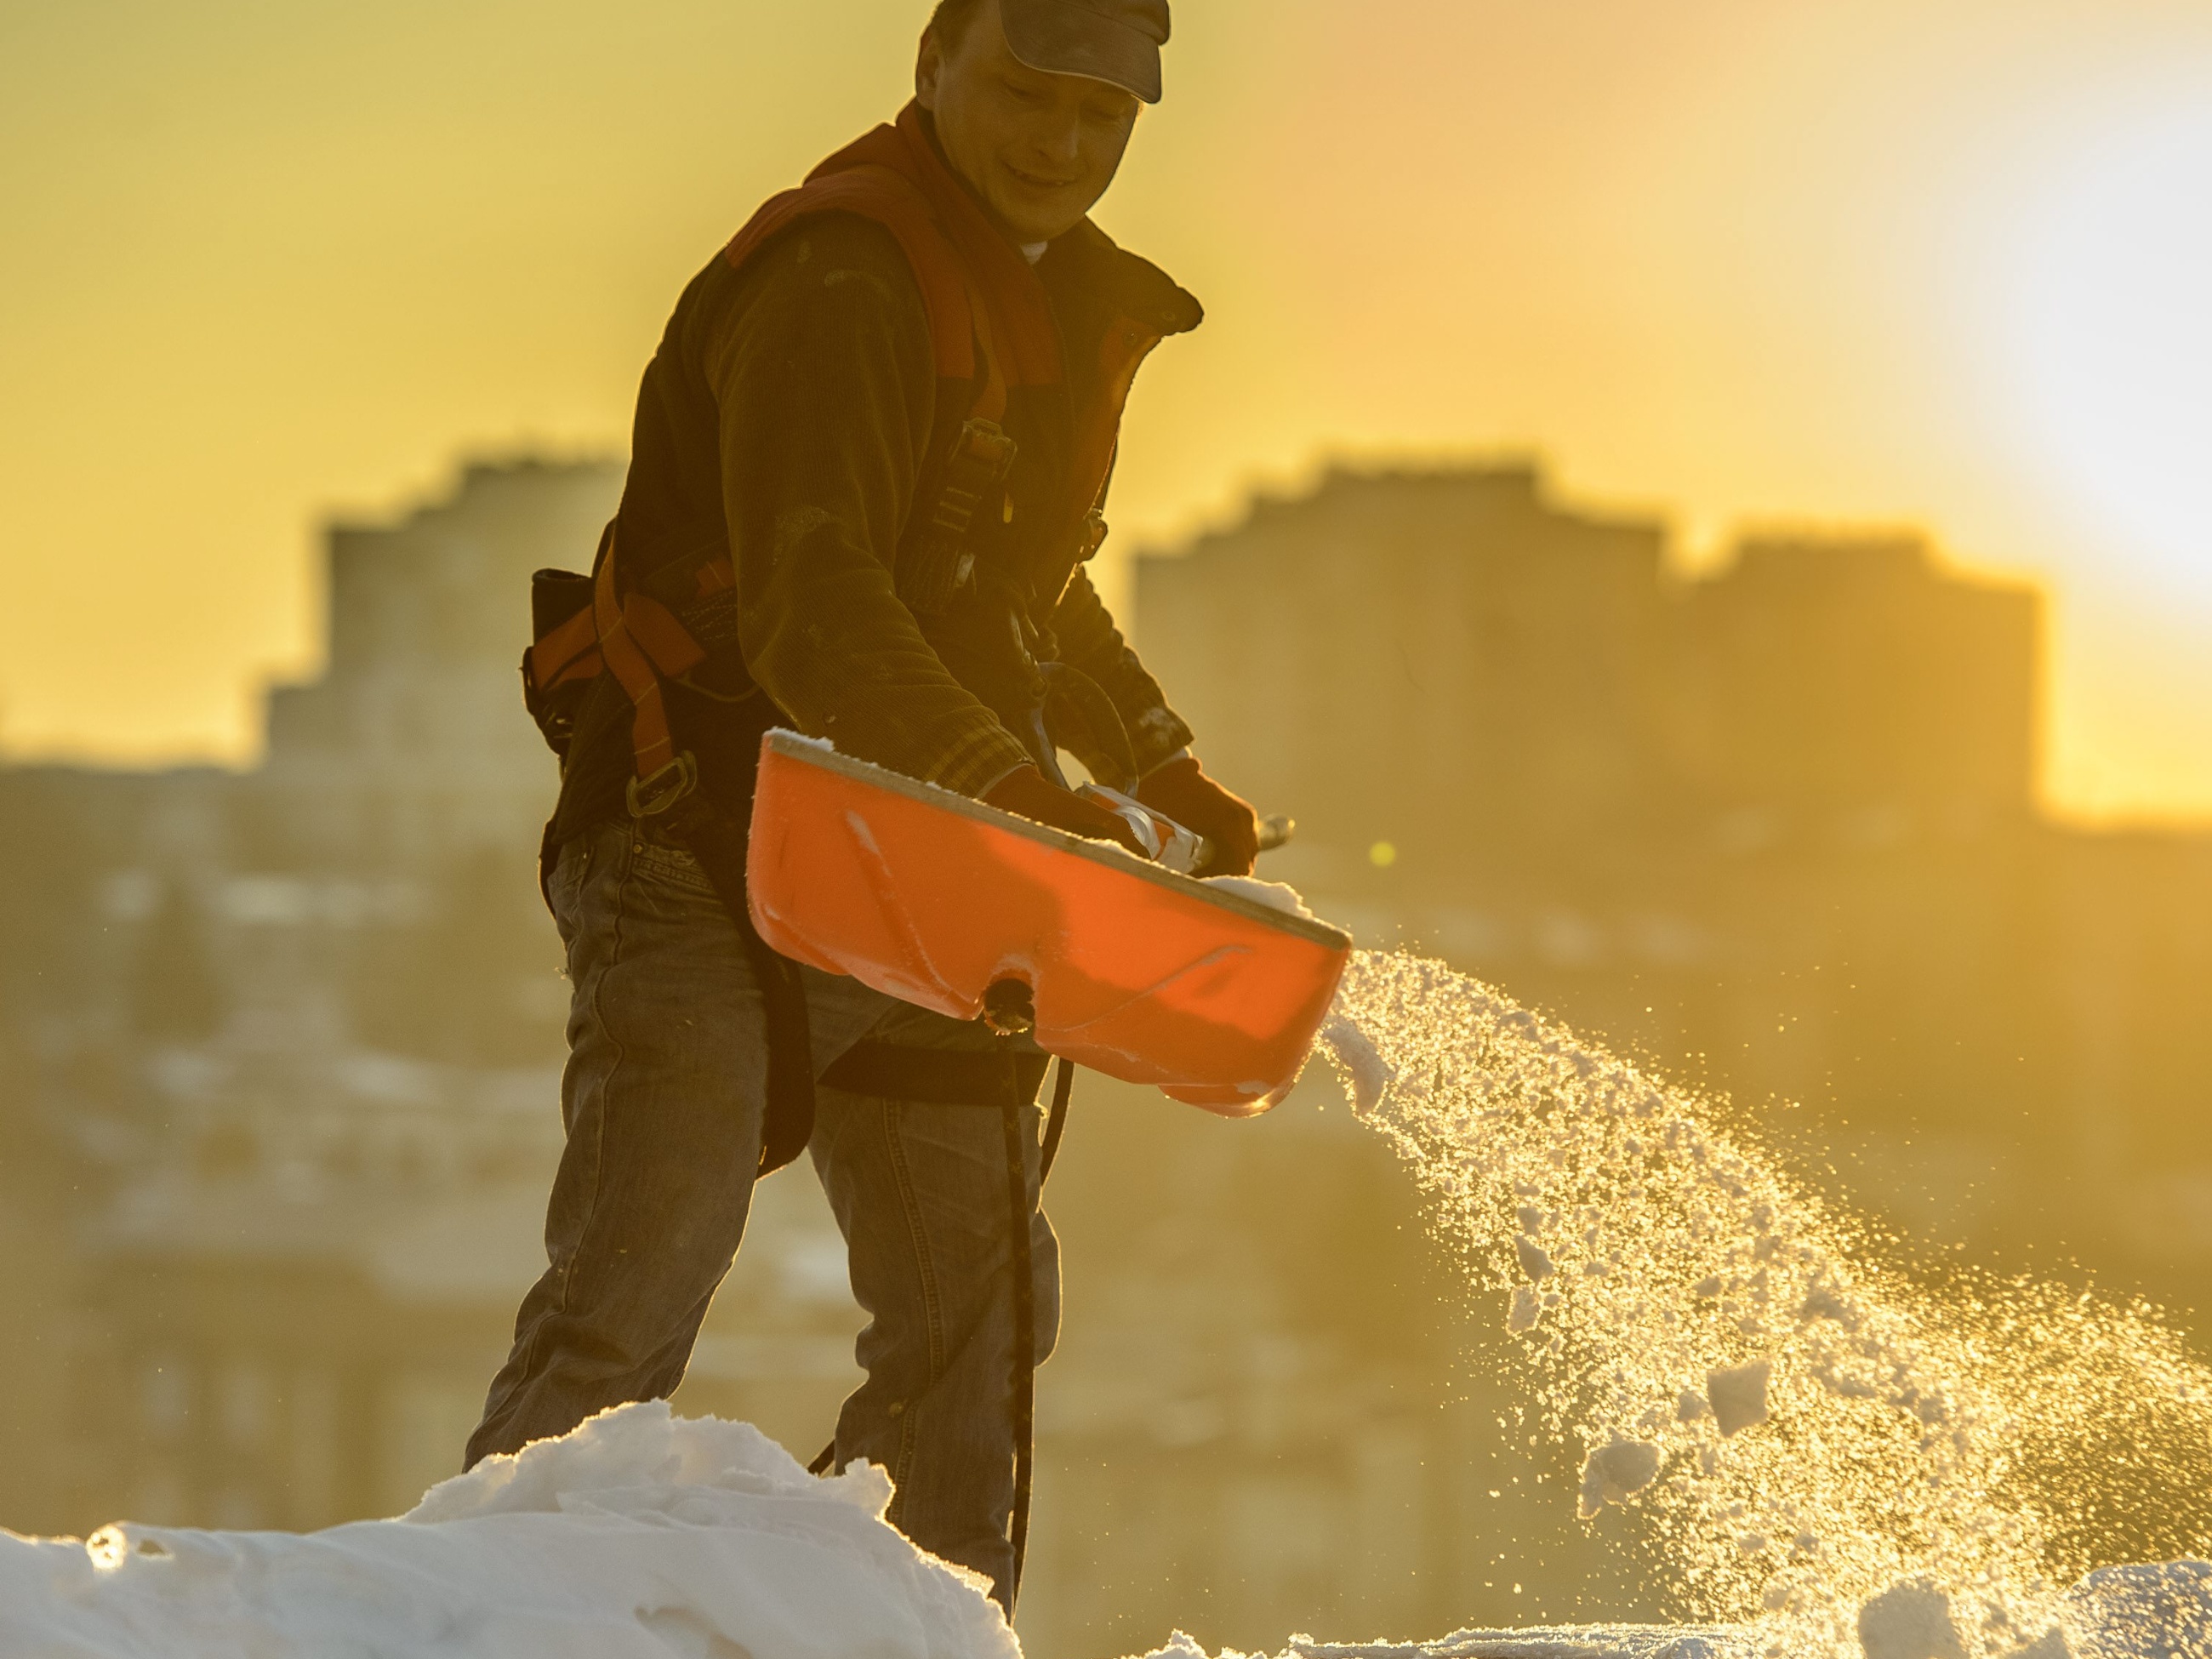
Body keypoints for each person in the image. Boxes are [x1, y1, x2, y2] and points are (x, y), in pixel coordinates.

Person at [468, 0, 1258, 1614]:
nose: (1065, 145)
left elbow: (1020, 586)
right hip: (702, 839)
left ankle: (904, 1627)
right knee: (633, 1297)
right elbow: (819, 606)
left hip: (903, 868)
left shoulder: (1026, 300)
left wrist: (1162, 761)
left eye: (1105, 122)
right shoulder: (842, 283)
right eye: (1031, 96)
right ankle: (482, 1625)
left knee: (976, 1325)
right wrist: (1029, 800)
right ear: (933, 63)